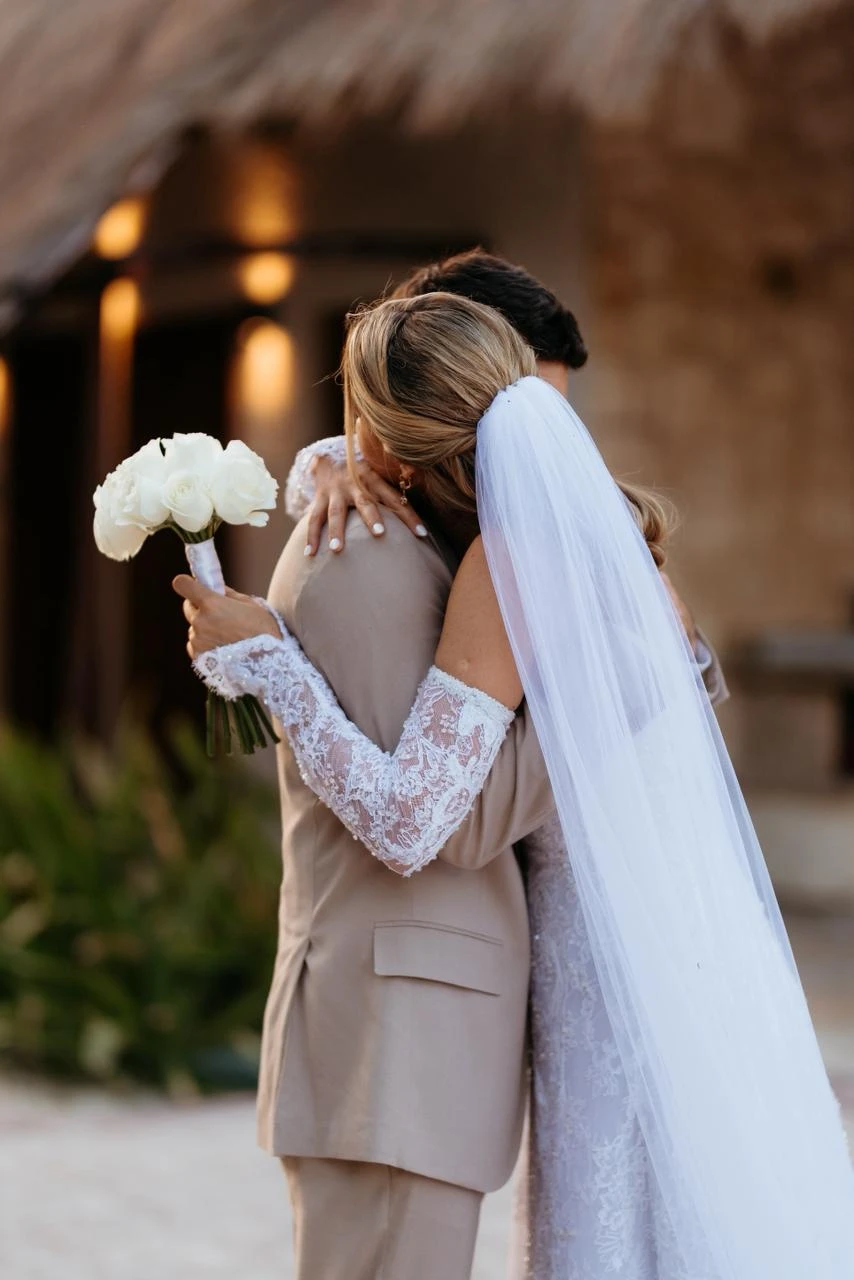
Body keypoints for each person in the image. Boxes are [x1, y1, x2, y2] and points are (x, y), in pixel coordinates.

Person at [175, 292, 854, 1278]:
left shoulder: (506, 556)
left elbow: (417, 822)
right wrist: (327, 460)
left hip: (609, 958)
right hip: (646, 941)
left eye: (357, 418)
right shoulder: (573, 528)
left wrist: (273, 667)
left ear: (399, 446)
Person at [288, 249, 726, 702]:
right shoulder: (385, 510)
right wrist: (334, 462)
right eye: (500, 410)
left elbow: (680, 679)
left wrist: (682, 641)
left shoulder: (548, 523)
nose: (528, 438)